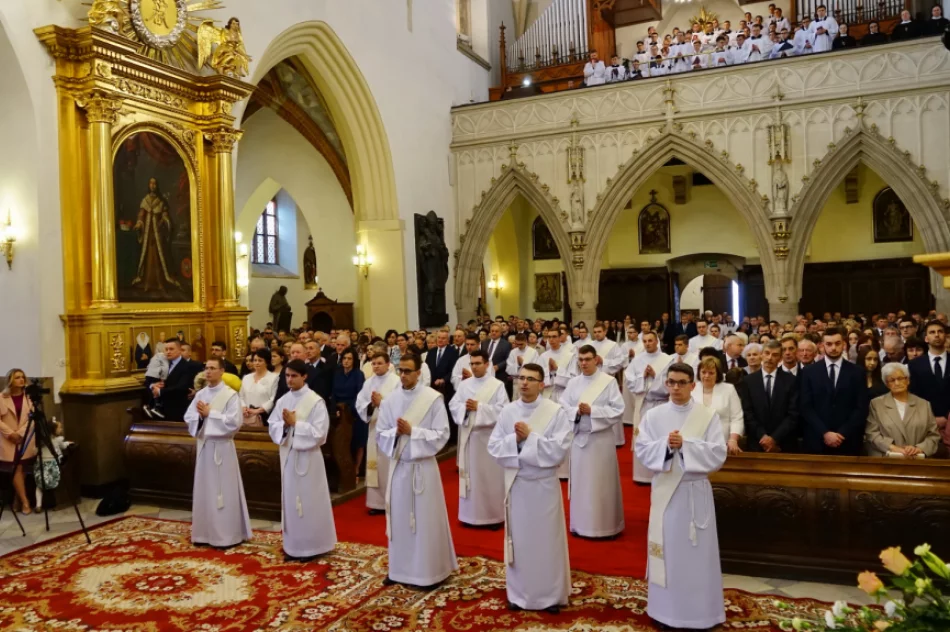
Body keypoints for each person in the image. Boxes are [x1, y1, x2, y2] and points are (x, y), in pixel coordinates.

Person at [635, 362, 726, 630]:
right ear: (666, 384)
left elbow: (717, 454)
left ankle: (701, 614)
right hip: (667, 495)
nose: (676, 388)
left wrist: (686, 446)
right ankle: (666, 612)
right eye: (671, 382)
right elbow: (641, 449)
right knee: (669, 552)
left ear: (692, 385)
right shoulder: (653, 416)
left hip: (695, 493)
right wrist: (666, 445)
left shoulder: (707, 416)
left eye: (682, 382)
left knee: (697, 556)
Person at [488, 363, 572, 614]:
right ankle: (519, 593)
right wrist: (515, 439)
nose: (524, 383)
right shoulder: (508, 412)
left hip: (544, 485)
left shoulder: (555, 411)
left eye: (530, 379)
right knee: (521, 541)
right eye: (521, 378)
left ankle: (549, 596)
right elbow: (494, 446)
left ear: (542, 384)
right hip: (518, 484)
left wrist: (529, 437)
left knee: (546, 541)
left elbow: (559, 450)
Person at [377, 354, 457, 588]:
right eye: (400, 370)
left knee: (425, 520)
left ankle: (429, 572)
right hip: (400, 466)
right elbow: (382, 432)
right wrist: (396, 433)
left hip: (423, 468)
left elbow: (443, 434)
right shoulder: (391, 400)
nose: (403, 375)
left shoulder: (432, 399)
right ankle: (399, 569)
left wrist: (414, 431)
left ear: (419, 373)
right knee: (399, 517)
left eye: (408, 371)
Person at [268, 359, 337, 560]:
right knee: (291, 498)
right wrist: (285, 426)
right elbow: (273, 425)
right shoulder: (283, 400)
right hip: (289, 456)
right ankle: (294, 545)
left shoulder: (315, 401)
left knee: (310, 500)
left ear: (304, 376)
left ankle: (314, 545)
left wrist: (296, 424)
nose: (289, 380)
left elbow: (320, 434)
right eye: (287, 376)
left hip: (309, 459)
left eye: (294, 376)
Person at [184, 358, 252, 548]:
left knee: (223, 490)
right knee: (205, 489)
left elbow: (234, 423)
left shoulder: (230, 396)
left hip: (222, 448)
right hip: (205, 446)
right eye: (206, 368)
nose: (208, 372)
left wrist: (210, 414)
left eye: (212, 368)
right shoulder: (202, 394)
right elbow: (189, 417)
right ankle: (204, 534)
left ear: (222, 371)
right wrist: (199, 416)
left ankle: (227, 536)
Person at [561, 345, 625, 538]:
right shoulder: (573, 383)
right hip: (580, 438)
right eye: (580, 360)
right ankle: (580, 525)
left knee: (601, 484)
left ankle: (606, 527)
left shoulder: (608, 382)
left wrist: (593, 411)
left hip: (601, 441)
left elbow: (618, 409)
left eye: (587, 359)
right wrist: (576, 412)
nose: (583, 363)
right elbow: (563, 406)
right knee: (582, 483)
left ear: (596, 359)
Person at [449, 350, 508, 527]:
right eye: (472, 364)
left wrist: (479, 407)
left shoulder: (497, 385)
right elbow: (454, 405)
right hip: (470, 437)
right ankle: (470, 516)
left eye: (478, 363)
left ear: (487, 364)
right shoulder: (464, 385)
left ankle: (492, 516)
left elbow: (503, 410)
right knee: (471, 476)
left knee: (489, 477)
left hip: (488, 438)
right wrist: (466, 410)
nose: (474, 367)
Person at [801, 328, 868, 455]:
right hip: (817, 439)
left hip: (848, 440)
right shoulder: (809, 372)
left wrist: (842, 432)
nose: (833, 348)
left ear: (844, 344)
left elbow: (861, 408)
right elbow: (806, 406)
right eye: (829, 344)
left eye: (837, 343)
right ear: (822, 346)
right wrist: (825, 433)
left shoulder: (857, 372)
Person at [355, 351, 399, 515]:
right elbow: (360, 403)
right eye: (373, 363)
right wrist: (371, 405)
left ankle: (393, 501)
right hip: (374, 427)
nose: (376, 366)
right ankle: (377, 503)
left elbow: (400, 404)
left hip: (391, 429)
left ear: (388, 364)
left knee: (388, 464)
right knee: (375, 464)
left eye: (380, 363)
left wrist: (382, 403)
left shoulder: (396, 382)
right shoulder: (369, 383)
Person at [866, 363, 940, 458]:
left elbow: (933, 435)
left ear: (907, 380)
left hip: (916, 460)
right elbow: (872, 434)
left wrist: (918, 448)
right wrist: (894, 448)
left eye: (900, 378)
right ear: (887, 384)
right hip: (887, 459)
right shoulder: (876, 404)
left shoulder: (924, 404)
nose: (897, 383)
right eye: (892, 380)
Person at [625, 331, 672, 483]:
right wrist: (643, 377)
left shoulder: (667, 360)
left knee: (659, 436)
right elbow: (629, 380)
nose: (647, 344)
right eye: (644, 341)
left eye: (650, 340)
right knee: (643, 436)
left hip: (661, 403)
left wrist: (656, 375)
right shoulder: (637, 360)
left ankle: (661, 471)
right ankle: (642, 475)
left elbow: (671, 382)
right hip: (644, 403)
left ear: (657, 341)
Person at [740, 340, 799, 453]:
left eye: (775, 355)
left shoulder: (791, 380)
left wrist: (774, 438)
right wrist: (763, 436)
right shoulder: (749, 381)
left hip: (783, 442)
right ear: (762, 355)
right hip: (757, 442)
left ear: (780, 358)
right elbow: (747, 412)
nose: (770, 358)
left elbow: (793, 414)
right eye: (767, 353)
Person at [909, 320, 950, 448]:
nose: (936, 335)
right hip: (924, 423)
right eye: (932, 332)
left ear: (946, 336)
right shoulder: (915, 365)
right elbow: (913, 395)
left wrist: (946, 417)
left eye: (940, 332)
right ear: (926, 338)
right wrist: (931, 419)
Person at [0, 369, 36, 514]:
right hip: (7, 438)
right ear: (10, 380)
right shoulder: (2, 397)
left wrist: (20, 433)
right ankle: (25, 502)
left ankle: (17, 498)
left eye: (22, 377)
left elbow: (32, 418)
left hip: (25, 437)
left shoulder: (29, 398)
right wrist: (10, 434)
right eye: (17, 378)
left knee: (22, 467)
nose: (21, 380)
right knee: (17, 467)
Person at [692, 357, 744, 456]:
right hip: (695, 444)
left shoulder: (729, 389)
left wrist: (733, 440)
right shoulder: (692, 388)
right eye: (703, 372)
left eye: (711, 373)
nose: (706, 376)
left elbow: (737, 418)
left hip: (722, 443)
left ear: (718, 374)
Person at [332, 348, 366, 476]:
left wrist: (349, 409)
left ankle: (356, 468)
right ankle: (344, 469)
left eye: (349, 359)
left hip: (354, 410)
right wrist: (335, 409)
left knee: (358, 441)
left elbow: (359, 394)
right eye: (344, 358)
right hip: (339, 409)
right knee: (342, 441)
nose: (346, 361)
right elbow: (334, 393)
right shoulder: (338, 373)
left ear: (354, 360)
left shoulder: (358, 374)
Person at [239, 349, 278, 427]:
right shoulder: (246, 377)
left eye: (260, 360)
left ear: (266, 362)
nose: (256, 363)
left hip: (264, 416)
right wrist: (243, 407)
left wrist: (258, 410)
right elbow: (241, 396)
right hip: (246, 415)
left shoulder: (274, 378)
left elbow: (273, 398)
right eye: (255, 360)